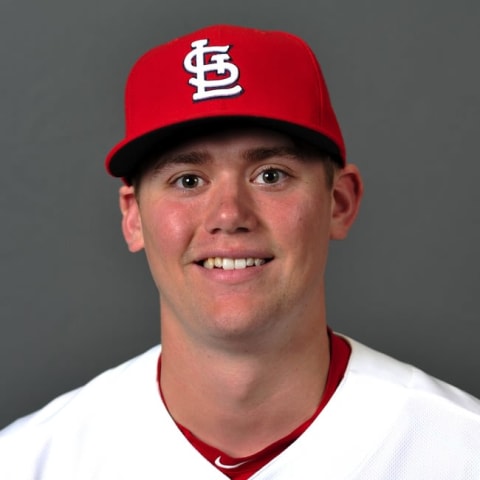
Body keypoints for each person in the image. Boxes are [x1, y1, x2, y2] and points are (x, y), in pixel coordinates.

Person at [0, 24, 479, 479]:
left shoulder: (461, 451)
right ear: (133, 217)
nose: (229, 215)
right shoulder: (28, 464)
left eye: (271, 175)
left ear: (339, 202)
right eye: (188, 181)